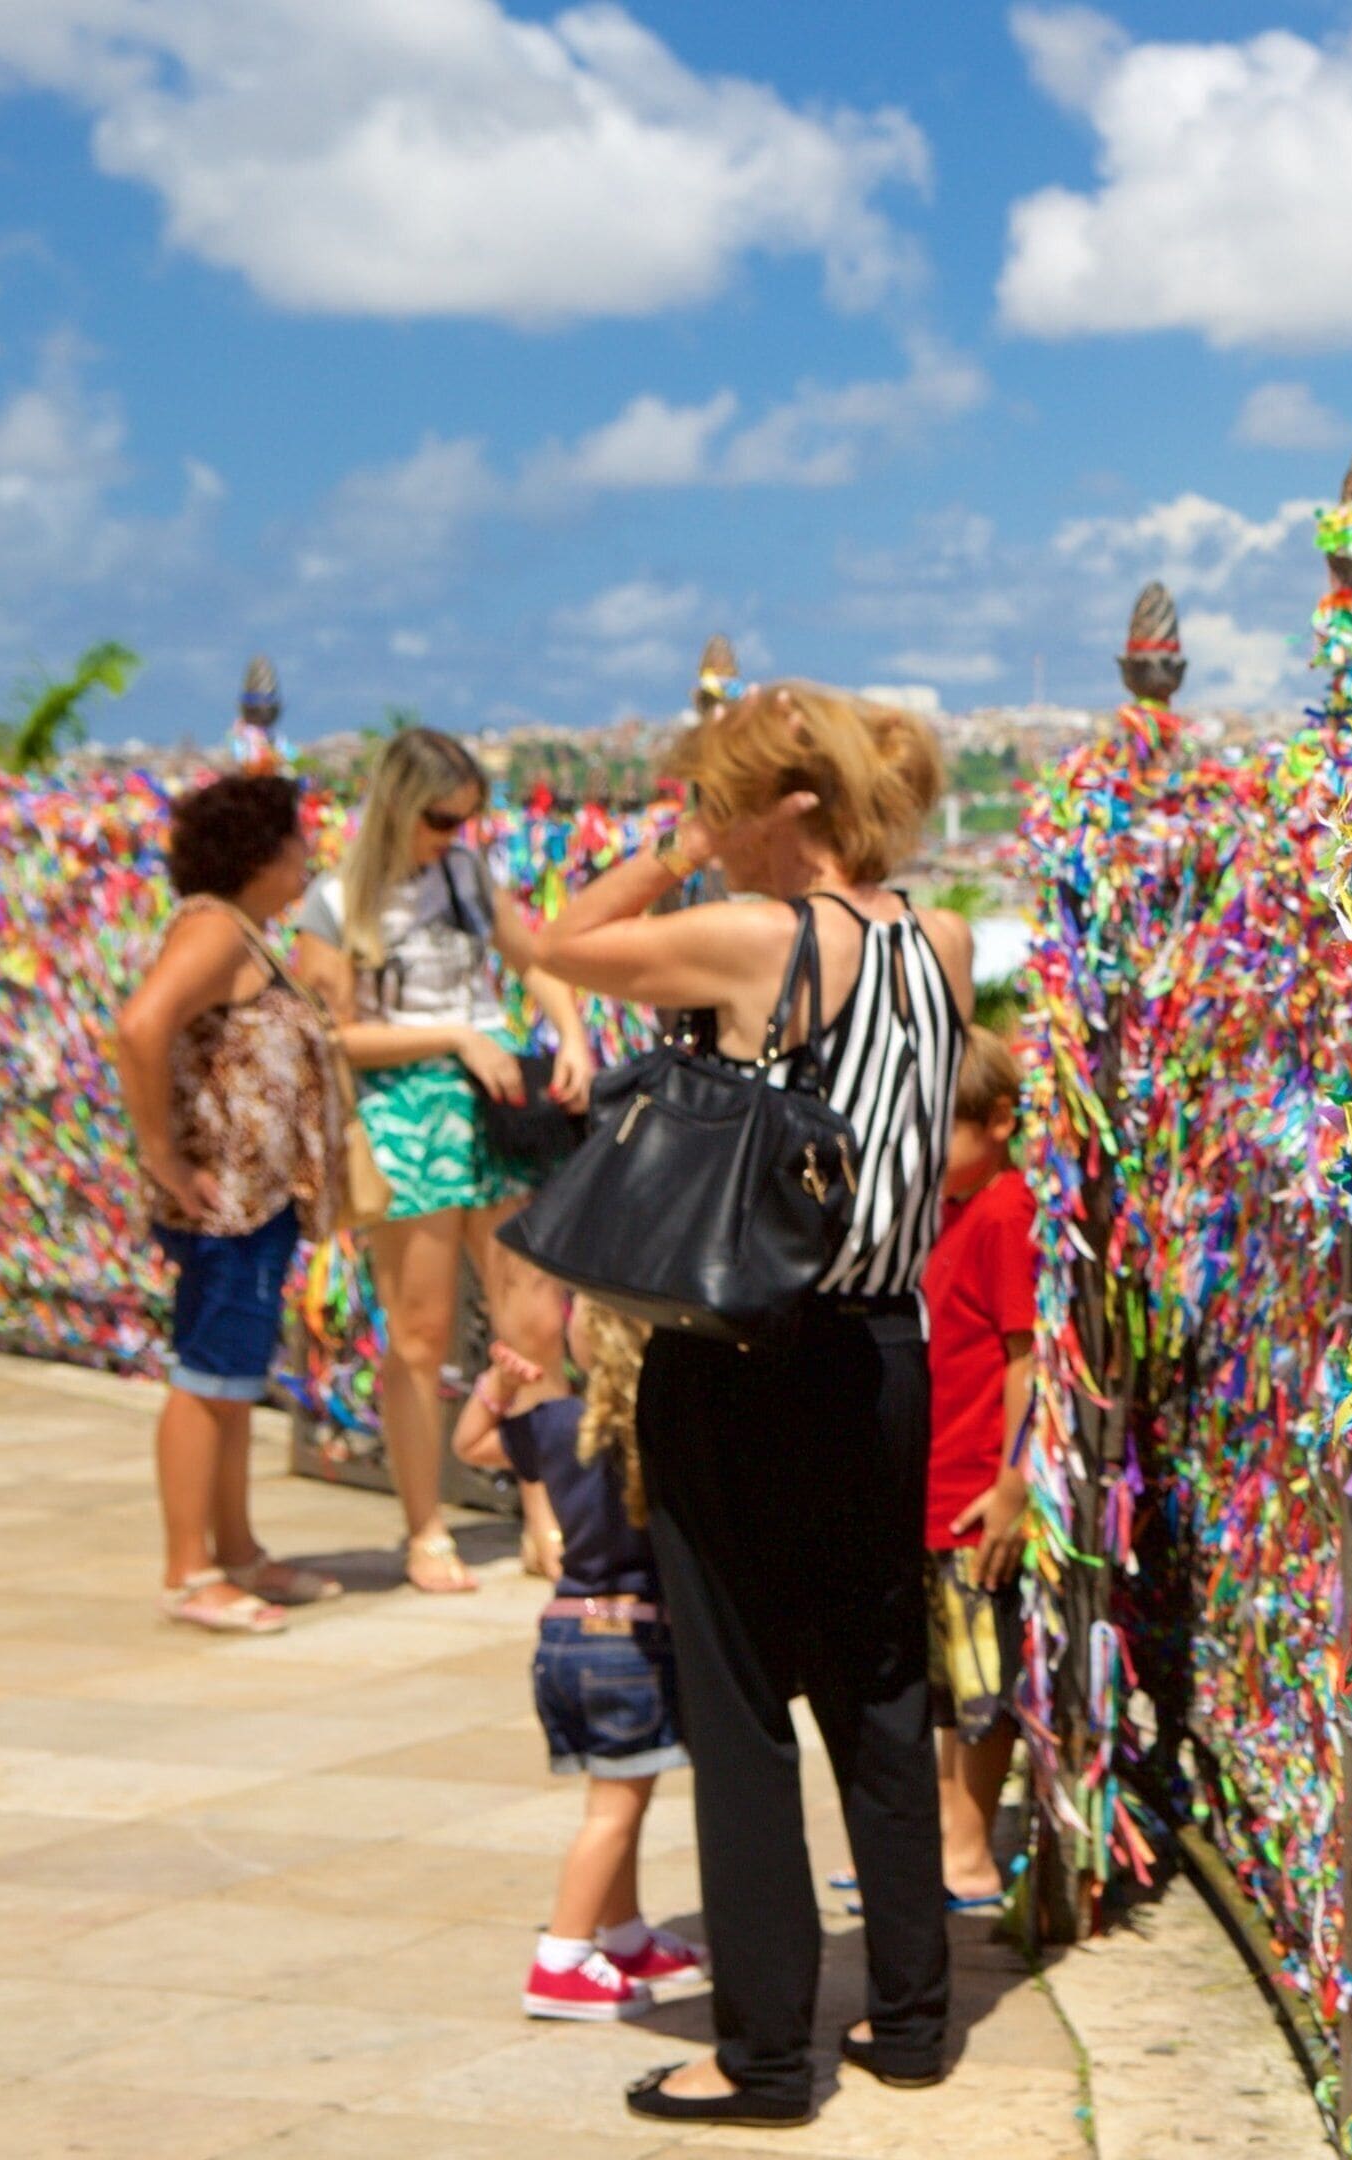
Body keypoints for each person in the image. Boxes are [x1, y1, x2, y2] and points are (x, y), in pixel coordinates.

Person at [530, 681, 972, 2128]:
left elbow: (554, 946)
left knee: (736, 1707)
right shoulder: (941, 941)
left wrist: (668, 841)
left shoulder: (757, 939)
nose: (707, 831)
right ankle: (909, 2021)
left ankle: (763, 2053)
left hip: (742, 1359)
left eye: (722, 802)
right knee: (879, 1688)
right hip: (881, 1350)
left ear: (787, 810)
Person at [293, 726, 594, 1595]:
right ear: (396, 806)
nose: (451, 834)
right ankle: (424, 1525)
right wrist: (458, 1036)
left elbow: (536, 959)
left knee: (531, 1326)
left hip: (494, 1110)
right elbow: (338, 1035)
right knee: (418, 1332)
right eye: (437, 817)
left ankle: (546, 1515)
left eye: (463, 818)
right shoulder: (338, 900)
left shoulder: (468, 876)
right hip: (408, 1115)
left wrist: (569, 1033)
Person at [110, 771, 345, 1633]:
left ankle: (236, 1548)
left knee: (234, 1378)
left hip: (257, 1201)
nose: (305, 858)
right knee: (205, 1376)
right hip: (225, 1203)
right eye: (294, 842)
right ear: (259, 850)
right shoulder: (213, 930)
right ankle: (190, 1567)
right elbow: (141, 1027)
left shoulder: (244, 932)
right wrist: (162, 1155)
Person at [449, 1289, 705, 2019]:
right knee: (614, 1811)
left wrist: (493, 1391)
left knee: (622, 1790)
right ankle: (561, 1958)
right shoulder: (658, 1431)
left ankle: (622, 1936)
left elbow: (470, 1445)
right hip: (626, 1642)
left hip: (561, 1635)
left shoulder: (560, 1424)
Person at [921, 1024, 1035, 1908]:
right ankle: (938, 1836)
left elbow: (1023, 1357)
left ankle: (968, 1850)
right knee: (940, 1688)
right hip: (927, 1495)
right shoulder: (950, 1209)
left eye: (942, 1128)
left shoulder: (1005, 1211)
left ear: (998, 1120)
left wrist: (1012, 1480)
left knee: (980, 1687)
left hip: (972, 1497)